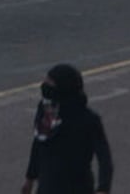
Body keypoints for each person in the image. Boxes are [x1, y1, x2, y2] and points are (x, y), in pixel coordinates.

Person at [21, 63, 113, 194]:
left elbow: (104, 157)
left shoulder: (88, 119)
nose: (45, 86)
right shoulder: (47, 111)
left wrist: (103, 188)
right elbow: (38, 144)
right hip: (48, 187)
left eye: (50, 83)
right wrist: (29, 179)